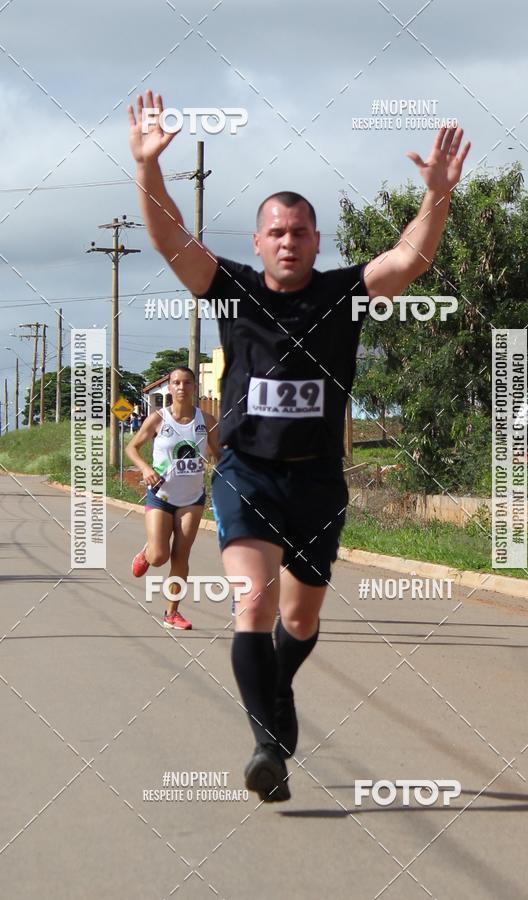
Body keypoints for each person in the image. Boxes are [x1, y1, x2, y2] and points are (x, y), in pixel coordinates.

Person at [128, 90, 470, 800]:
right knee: (251, 605)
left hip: (318, 482)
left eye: (301, 232)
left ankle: (272, 694)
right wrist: (148, 170)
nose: (288, 241)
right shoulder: (232, 290)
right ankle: (269, 747)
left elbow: (409, 259)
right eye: (276, 231)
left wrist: (436, 197)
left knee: (300, 618)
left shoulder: (344, 294)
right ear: (258, 241)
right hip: (247, 474)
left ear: (317, 241)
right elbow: (168, 241)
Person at [125, 366, 219, 630]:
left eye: (186, 382)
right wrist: (145, 469)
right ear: (170, 388)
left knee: (181, 556)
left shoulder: (207, 420)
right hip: (161, 497)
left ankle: (171, 613)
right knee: (159, 557)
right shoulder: (158, 419)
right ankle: (147, 552)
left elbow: (220, 454)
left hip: (192, 498)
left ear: (194, 387)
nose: (181, 387)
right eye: (176, 383)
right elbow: (131, 447)